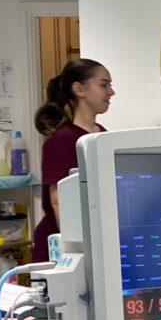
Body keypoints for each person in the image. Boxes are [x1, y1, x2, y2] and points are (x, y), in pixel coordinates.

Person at [32, 59, 114, 263]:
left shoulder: (102, 135)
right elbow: (59, 202)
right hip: (64, 247)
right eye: (104, 85)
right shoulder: (62, 140)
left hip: (95, 239)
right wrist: (76, 252)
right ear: (79, 89)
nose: (111, 92)